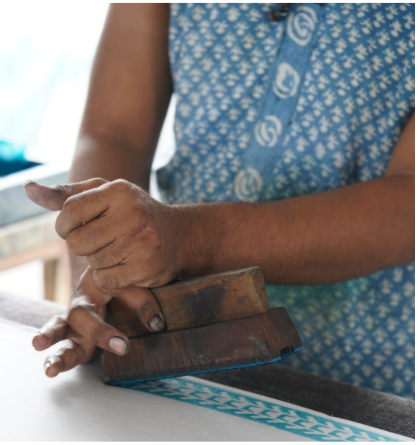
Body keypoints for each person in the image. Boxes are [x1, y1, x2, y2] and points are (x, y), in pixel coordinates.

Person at [27, 4, 414, 398]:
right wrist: (103, 276)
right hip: (177, 349)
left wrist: (188, 238)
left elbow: (409, 205)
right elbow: (114, 134)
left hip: (371, 374)